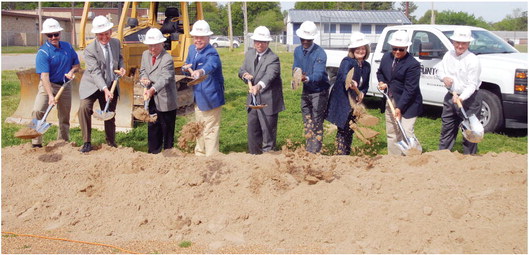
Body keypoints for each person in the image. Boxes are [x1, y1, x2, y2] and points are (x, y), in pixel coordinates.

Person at [78, 16, 126, 153]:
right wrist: (104, 89)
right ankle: (86, 142)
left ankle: (111, 142)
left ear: (111, 31)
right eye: (100, 34)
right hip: (92, 84)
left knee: (110, 113)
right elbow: (95, 72)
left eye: (106, 33)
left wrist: (122, 68)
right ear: (96, 34)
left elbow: (120, 58)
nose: (104, 37)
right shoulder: (90, 50)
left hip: (111, 83)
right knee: (84, 108)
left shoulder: (116, 43)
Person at [31, 18, 80, 148]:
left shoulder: (68, 47)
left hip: (65, 86)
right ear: (46, 35)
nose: (53, 37)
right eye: (50, 35)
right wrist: (51, 95)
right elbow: (44, 76)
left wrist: (72, 71)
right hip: (48, 85)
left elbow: (77, 65)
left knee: (64, 116)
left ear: (60, 33)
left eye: (56, 34)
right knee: (37, 111)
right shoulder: (43, 52)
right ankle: (36, 143)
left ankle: (62, 142)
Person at [238, 26, 285, 154]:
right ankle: (254, 159)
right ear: (253, 42)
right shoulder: (249, 54)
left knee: (268, 134)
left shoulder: (273, 58)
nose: (259, 44)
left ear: (268, 42)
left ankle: (268, 162)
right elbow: (242, 69)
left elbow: (269, 76)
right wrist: (244, 75)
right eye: (257, 41)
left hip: (268, 102)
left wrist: (258, 86)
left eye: (263, 42)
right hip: (253, 102)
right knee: (253, 133)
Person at [182, 20, 225, 156]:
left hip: (211, 98)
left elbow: (210, 65)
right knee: (199, 128)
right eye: (196, 37)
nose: (198, 40)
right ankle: (199, 155)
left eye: (201, 37)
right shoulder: (191, 49)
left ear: (208, 38)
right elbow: (188, 64)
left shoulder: (212, 53)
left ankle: (211, 157)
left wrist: (200, 72)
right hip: (198, 97)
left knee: (210, 130)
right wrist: (185, 68)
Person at [376, 30, 422, 155]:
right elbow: (380, 72)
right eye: (395, 48)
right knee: (392, 131)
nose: (397, 52)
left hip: (409, 102)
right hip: (391, 99)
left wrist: (400, 107)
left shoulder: (413, 65)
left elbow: (410, 89)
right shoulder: (386, 57)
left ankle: (413, 157)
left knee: (406, 131)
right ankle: (394, 159)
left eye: (401, 49)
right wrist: (382, 82)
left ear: (407, 47)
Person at [437, 27, 482, 154]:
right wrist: (443, 77)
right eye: (457, 42)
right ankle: (443, 155)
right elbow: (439, 70)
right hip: (451, 95)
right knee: (447, 127)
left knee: (470, 130)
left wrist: (461, 98)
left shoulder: (473, 60)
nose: (460, 46)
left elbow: (472, 85)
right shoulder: (448, 55)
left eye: (464, 43)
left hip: (469, 99)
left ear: (468, 44)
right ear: (453, 42)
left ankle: (469, 158)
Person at [326, 32, 371, 155]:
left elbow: (365, 85)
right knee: (343, 128)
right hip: (343, 101)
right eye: (358, 48)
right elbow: (342, 77)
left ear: (366, 50)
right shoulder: (347, 61)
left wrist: (362, 93)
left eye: (363, 48)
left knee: (351, 128)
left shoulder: (366, 66)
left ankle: (346, 153)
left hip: (355, 103)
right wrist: (351, 82)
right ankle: (341, 155)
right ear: (352, 49)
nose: (361, 51)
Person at [292, 21, 330, 153]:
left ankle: (316, 152)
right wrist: (296, 76)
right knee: (307, 119)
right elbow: (296, 67)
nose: (305, 41)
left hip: (319, 91)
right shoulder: (297, 50)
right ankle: (309, 149)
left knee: (316, 120)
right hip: (306, 90)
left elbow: (319, 75)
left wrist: (305, 78)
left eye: (308, 39)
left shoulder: (320, 53)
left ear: (313, 38)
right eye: (303, 39)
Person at [139, 28, 178, 154]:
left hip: (165, 99)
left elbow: (164, 79)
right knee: (153, 127)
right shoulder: (145, 55)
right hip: (152, 99)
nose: (152, 49)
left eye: (155, 46)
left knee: (167, 128)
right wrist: (143, 79)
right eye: (150, 46)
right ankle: (153, 153)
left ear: (162, 44)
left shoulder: (167, 59)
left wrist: (152, 89)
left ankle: (168, 153)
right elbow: (143, 70)